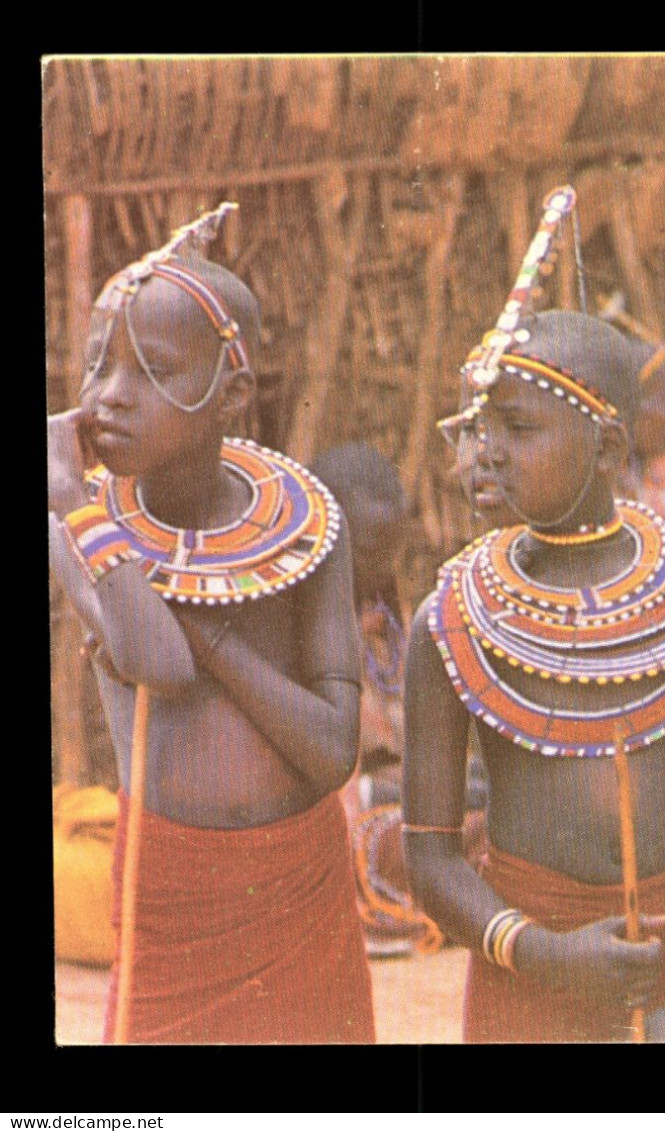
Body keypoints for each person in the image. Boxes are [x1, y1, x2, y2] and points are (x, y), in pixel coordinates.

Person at [404, 186, 665, 1042]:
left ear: (611, 447)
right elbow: (429, 854)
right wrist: (545, 953)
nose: (483, 452)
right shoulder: (451, 620)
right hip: (526, 979)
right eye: (479, 425)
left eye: (519, 426)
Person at [46, 205, 374, 1043]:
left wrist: (221, 639)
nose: (109, 397)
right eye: (96, 367)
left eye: (150, 369)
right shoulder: (81, 528)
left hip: (300, 876)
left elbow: (335, 751)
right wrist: (74, 506)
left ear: (232, 393)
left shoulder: (309, 525)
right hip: (174, 886)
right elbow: (159, 660)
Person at [309, 443, 488, 957]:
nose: (382, 563)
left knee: (499, 798)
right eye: (368, 549)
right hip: (351, 827)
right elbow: (332, 792)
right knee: (477, 833)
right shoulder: (302, 630)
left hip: (404, 800)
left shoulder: (389, 616)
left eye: (389, 547)